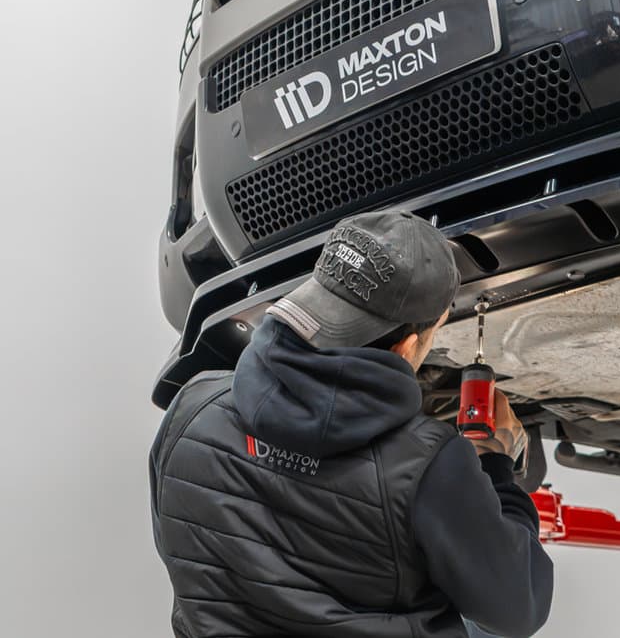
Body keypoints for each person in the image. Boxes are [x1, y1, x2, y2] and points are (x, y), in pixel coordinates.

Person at [149, 210, 554, 638]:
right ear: (408, 345)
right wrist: (495, 467)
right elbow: (520, 605)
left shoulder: (191, 407)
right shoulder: (426, 464)